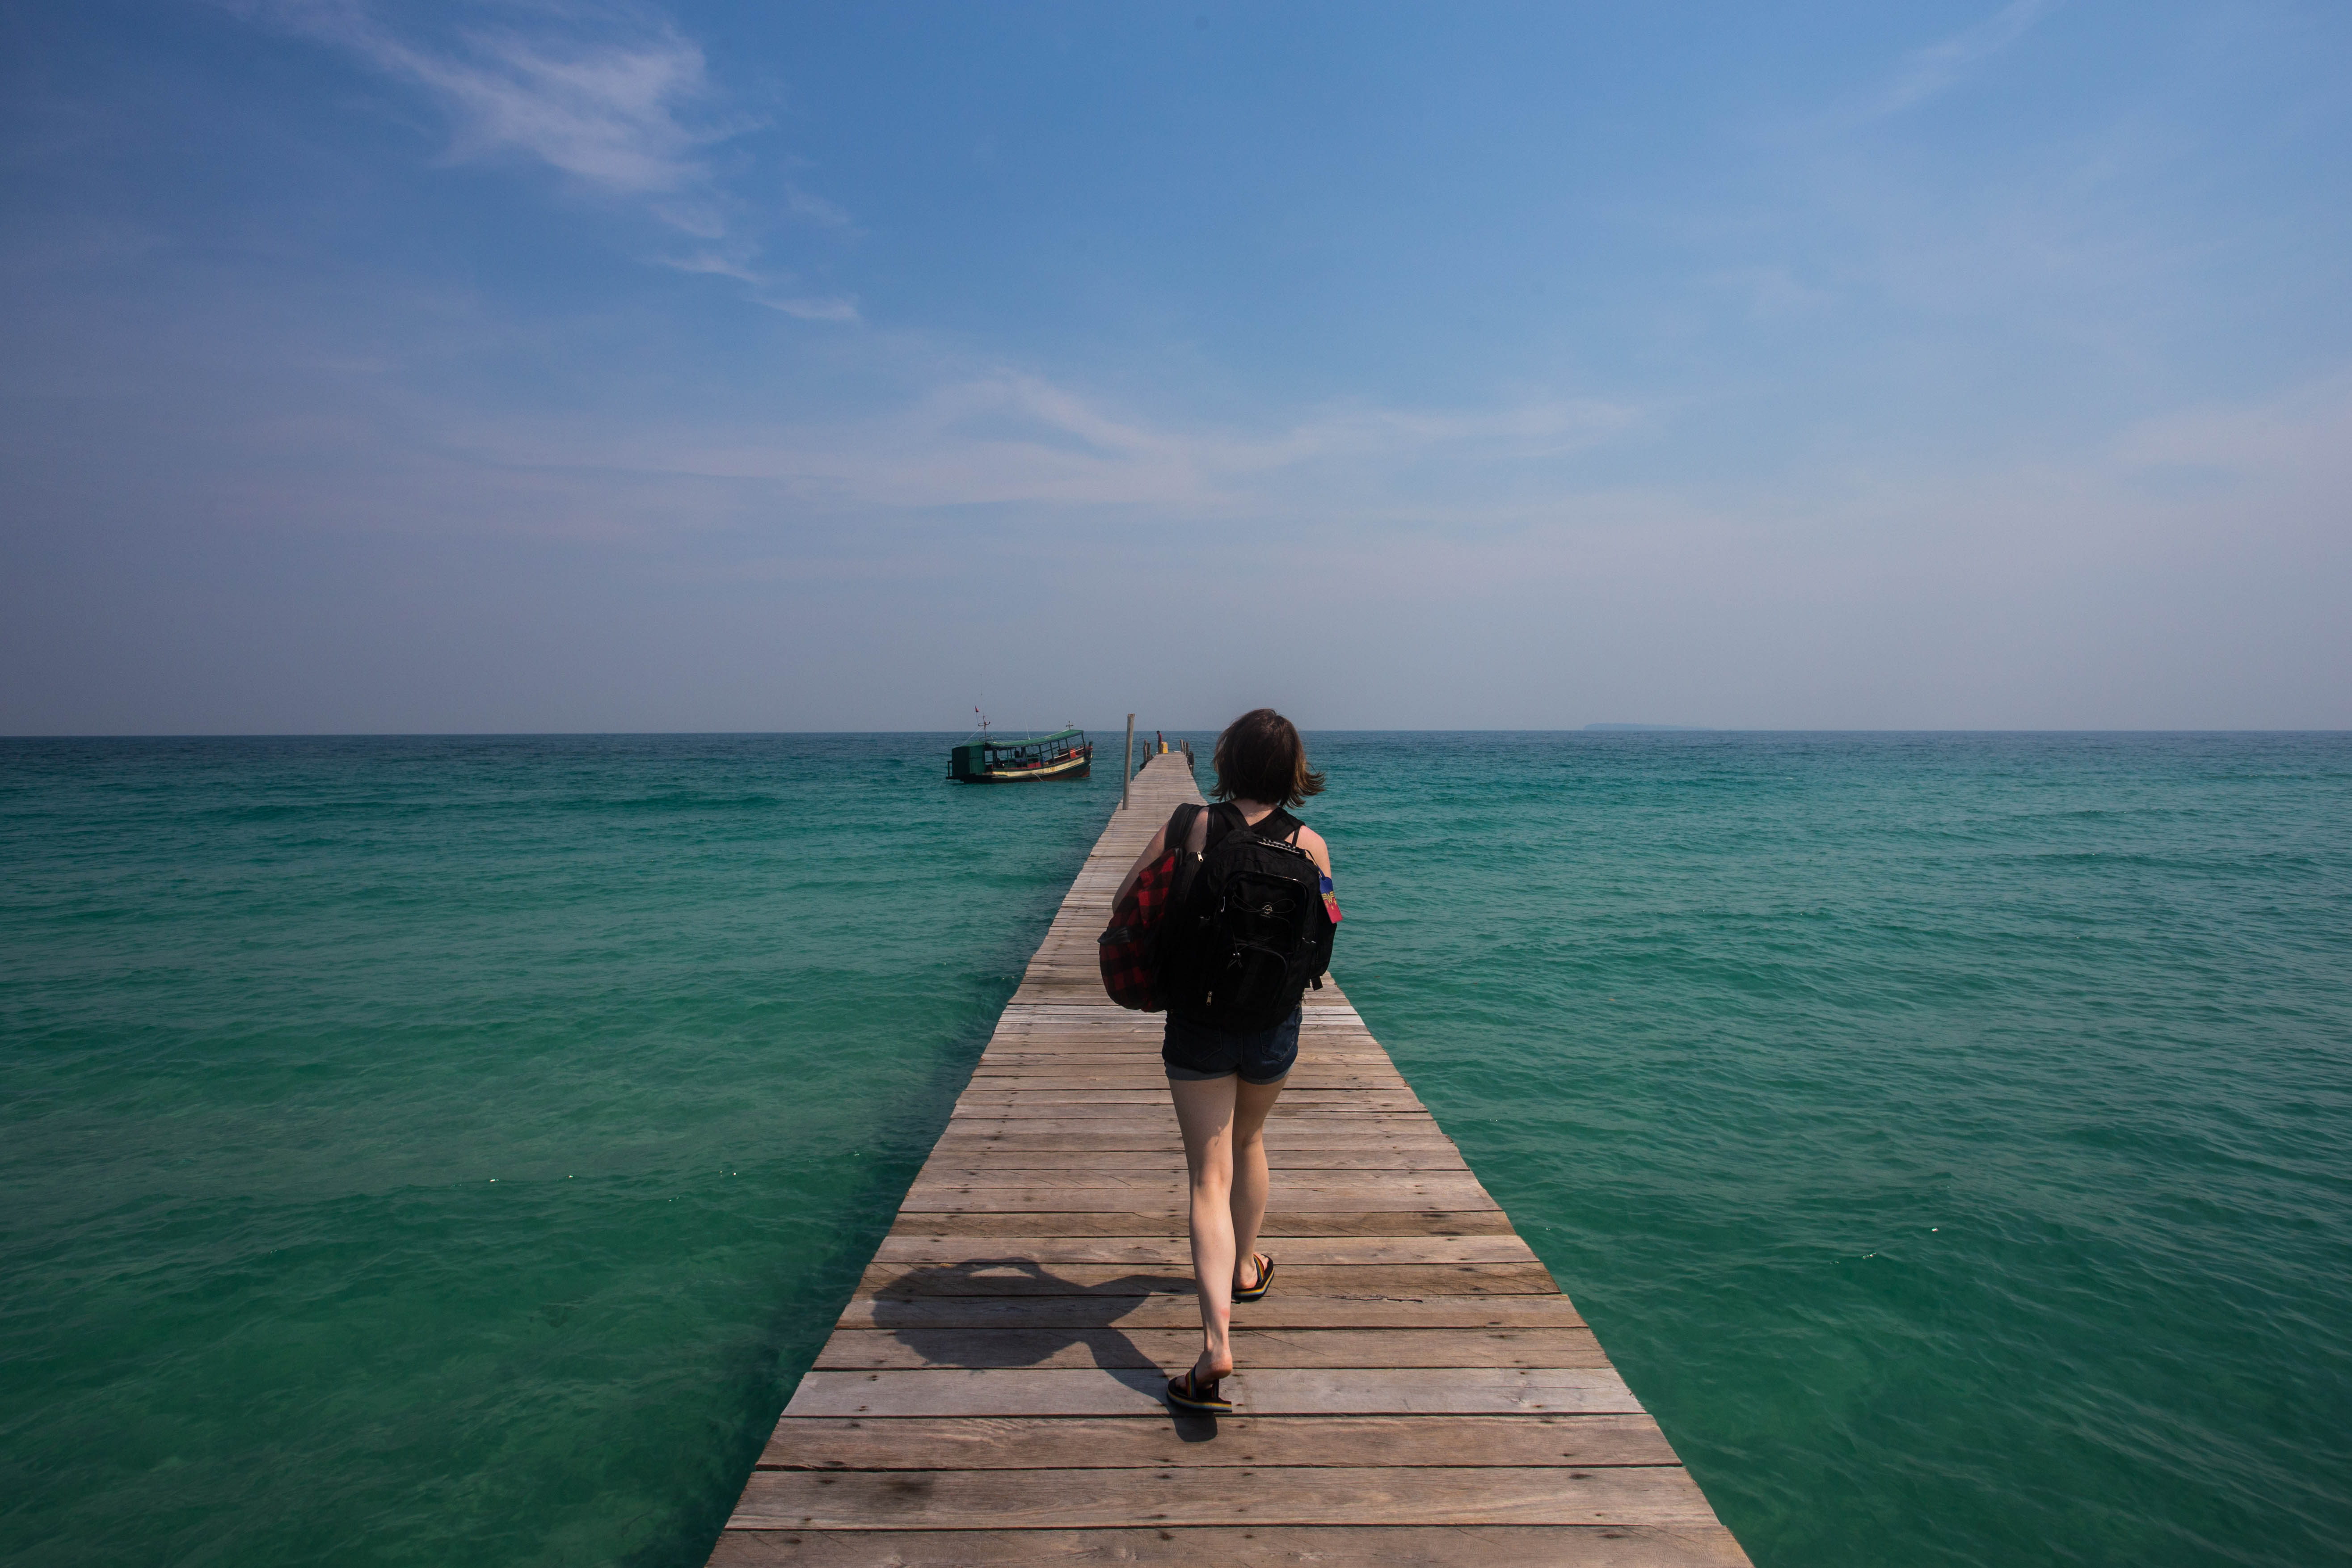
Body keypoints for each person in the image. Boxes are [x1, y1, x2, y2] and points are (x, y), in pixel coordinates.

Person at [1110, 708, 1336, 1413]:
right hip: (1272, 1024)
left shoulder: (1190, 826)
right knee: (1250, 1140)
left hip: (1198, 1020)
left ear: (1226, 761)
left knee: (1207, 1177)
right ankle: (1244, 1266)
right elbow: (1324, 935)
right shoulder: (1310, 845)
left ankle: (1215, 1346)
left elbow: (1123, 904)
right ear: (1292, 770)